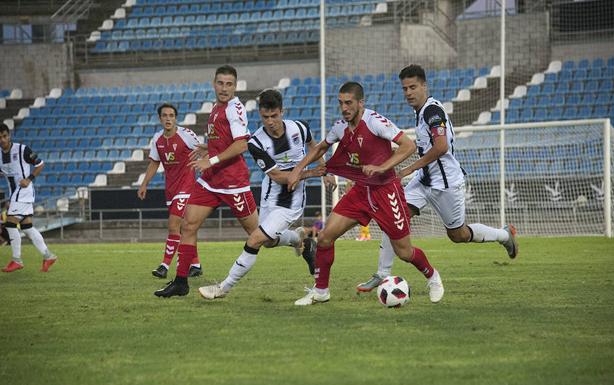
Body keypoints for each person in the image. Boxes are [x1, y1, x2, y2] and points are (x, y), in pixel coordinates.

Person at [356, 64, 519, 292]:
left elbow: (441, 147)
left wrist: (409, 168)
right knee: (393, 217)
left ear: (424, 86)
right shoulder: (420, 112)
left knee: (458, 235)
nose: (408, 93)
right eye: (405, 89)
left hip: (446, 184)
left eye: (413, 87)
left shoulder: (433, 111)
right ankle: (382, 274)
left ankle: (504, 235)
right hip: (424, 181)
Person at [287, 81, 444, 306]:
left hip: (386, 191)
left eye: (349, 103)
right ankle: (321, 291)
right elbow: (321, 147)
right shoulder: (341, 126)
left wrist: (382, 167)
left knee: (404, 252)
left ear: (361, 103)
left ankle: (433, 277)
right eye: (341, 103)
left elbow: (407, 146)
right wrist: (297, 169)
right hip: (361, 190)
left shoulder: (375, 122)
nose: (344, 108)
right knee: (324, 237)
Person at [197, 89, 328, 300]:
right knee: (268, 241)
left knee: (255, 239)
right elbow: (276, 176)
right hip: (269, 196)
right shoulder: (256, 142)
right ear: (259, 114)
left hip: (291, 202)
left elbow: (315, 146)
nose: (270, 122)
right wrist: (312, 172)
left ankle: (223, 287)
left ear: (282, 112)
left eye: (274, 116)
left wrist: (324, 170)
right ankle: (300, 239)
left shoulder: (300, 128)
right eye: (265, 117)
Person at [154, 65, 265, 297]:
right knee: (188, 225)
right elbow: (225, 140)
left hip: (233, 182)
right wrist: (209, 147)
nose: (224, 88)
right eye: (220, 83)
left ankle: (300, 242)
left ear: (235, 86)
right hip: (210, 181)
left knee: (261, 236)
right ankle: (181, 282)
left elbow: (242, 144)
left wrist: (210, 159)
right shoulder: (216, 107)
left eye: (229, 84)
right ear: (213, 84)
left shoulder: (234, 109)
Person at [138, 103, 203, 279]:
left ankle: (164, 266)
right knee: (183, 228)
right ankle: (195, 265)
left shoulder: (186, 135)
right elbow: (154, 163)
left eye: (171, 115)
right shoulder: (157, 139)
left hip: (187, 187)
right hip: (171, 189)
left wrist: (206, 169)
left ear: (176, 118)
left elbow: (203, 151)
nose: (168, 119)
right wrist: (144, 184)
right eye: (165, 115)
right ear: (160, 118)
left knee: (173, 225)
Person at [0, 123, 57, 272]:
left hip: (24, 191)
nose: (3, 140)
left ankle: (17, 259)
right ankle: (48, 256)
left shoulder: (22, 150)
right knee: (27, 227)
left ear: (9, 135)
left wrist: (29, 178)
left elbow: (40, 164)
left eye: (4, 136)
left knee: (10, 224)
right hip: (15, 194)